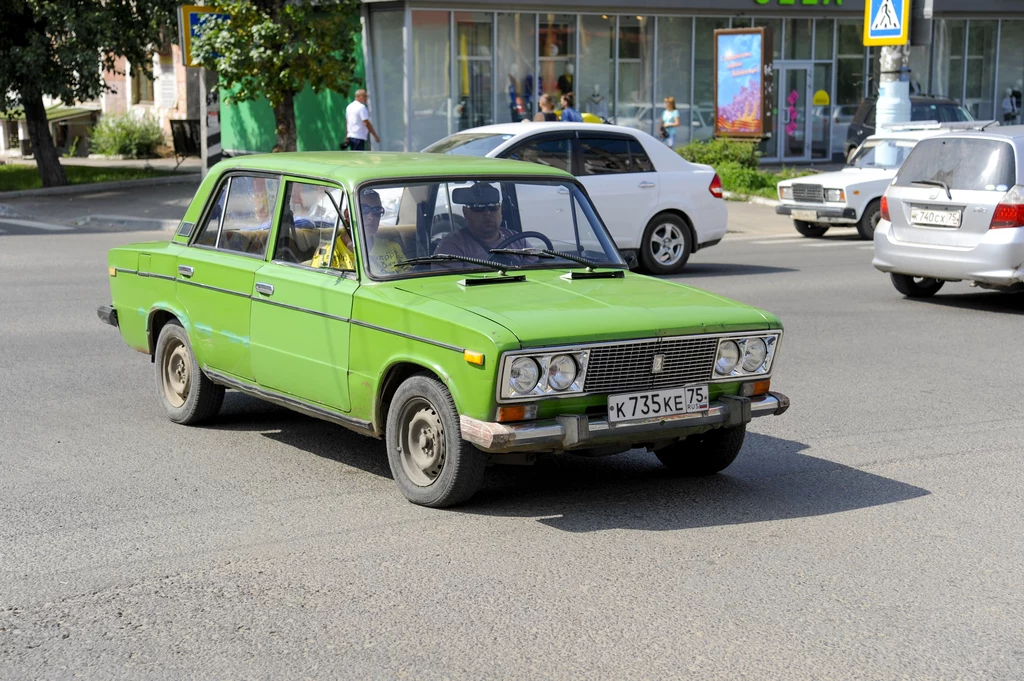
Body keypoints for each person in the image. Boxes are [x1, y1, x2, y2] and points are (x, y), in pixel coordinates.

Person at [433, 183, 532, 264]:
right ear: (466, 212)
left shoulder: (518, 241)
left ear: (501, 210)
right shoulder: (452, 246)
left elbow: (538, 270)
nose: (487, 212)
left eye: (493, 206)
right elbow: (448, 284)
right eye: (479, 207)